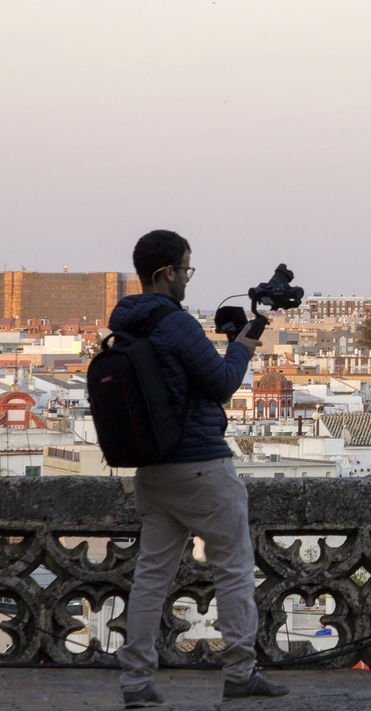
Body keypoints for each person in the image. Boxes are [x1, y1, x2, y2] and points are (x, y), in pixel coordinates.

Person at [111, 229, 289, 707]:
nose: (188, 278)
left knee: (151, 574)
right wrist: (243, 347)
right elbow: (221, 384)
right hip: (201, 466)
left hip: (152, 467)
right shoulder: (175, 323)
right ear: (167, 272)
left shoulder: (128, 323)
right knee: (233, 568)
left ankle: (135, 682)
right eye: (186, 269)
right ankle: (240, 671)